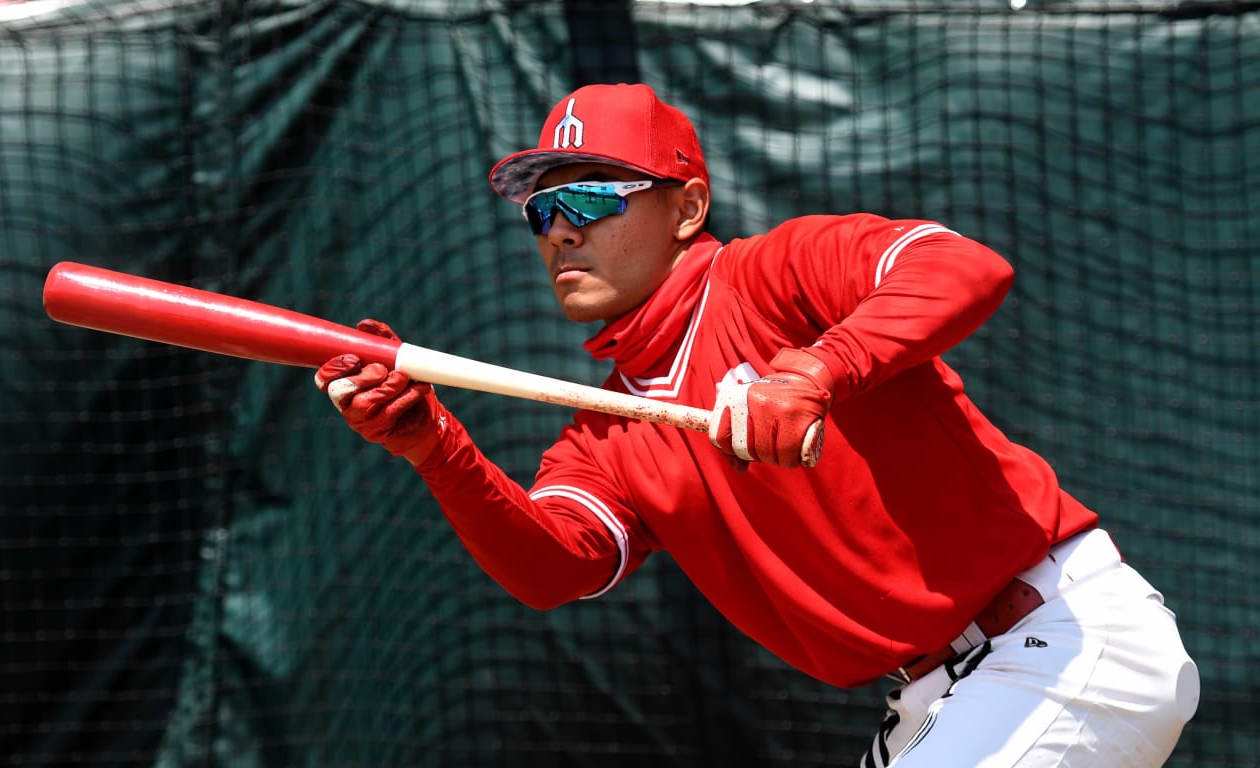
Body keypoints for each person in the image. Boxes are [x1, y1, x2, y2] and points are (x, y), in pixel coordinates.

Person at [313, 83, 1200, 766]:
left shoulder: (777, 274)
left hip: (1054, 638)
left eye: (589, 201)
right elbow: (558, 568)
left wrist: (816, 369)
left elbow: (960, 266)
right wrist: (433, 446)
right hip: (939, 694)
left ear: (688, 209)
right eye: (542, 211)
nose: (558, 234)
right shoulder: (606, 427)